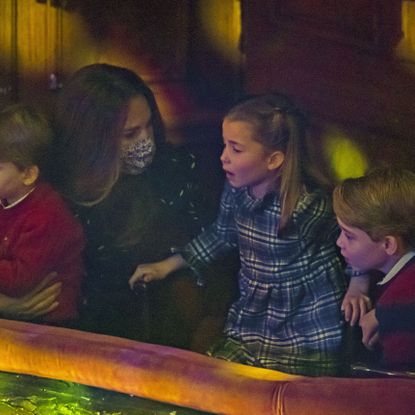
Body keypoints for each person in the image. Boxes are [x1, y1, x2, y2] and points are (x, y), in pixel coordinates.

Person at [129, 94, 348, 376]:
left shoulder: (307, 207)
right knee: (213, 378)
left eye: (236, 149)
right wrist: (166, 265)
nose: (223, 157)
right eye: (224, 145)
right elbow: (222, 234)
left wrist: (359, 282)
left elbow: (349, 243)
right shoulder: (236, 190)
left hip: (303, 325)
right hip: (253, 317)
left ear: (273, 159)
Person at [50, 63, 225, 346]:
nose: (146, 141)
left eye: (149, 127)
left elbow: (214, 250)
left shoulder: (176, 171)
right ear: (93, 139)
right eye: (130, 134)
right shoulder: (60, 196)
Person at [0, 104, 85, 325]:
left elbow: (20, 280)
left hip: (51, 323)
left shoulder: (47, 216)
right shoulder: (7, 197)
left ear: (28, 174)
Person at [333, 167, 415, 369]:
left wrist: (385, 315)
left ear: (388, 244)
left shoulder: (398, 301)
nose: (339, 242)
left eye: (349, 236)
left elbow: (398, 381)